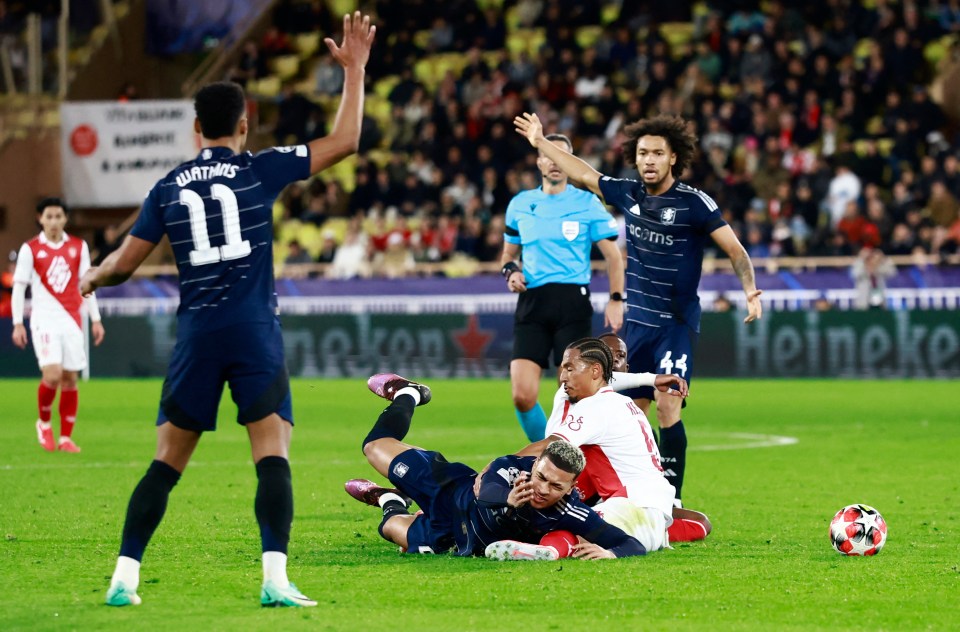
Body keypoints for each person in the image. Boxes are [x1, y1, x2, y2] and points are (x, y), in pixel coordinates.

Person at [79, 11, 376, 608]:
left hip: (196, 335)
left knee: (166, 462)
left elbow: (124, 265)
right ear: (246, 123)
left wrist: (92, 277)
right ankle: (274, 578)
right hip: (252, 332)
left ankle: (124, 576)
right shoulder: (258, 168)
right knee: (272, 454)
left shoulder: (167, 187)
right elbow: (345, 141)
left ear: (195, 129)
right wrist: (355, 71)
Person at [514, 112, 763, 505]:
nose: (649, 160)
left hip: (676, 326)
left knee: (668, 404)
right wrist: (541, 142)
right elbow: (583, 174)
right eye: (643, 152)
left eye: (658, 153)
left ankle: (673, 500)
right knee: (628, 414)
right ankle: (619, 494)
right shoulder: (629, 194)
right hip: (636, 328)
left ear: (673, 158)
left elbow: (734, 250)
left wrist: (750, 289)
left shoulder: (694, 204)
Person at [345, 373, 648, 561]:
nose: (543, 489)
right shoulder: (514, 468)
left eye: (556, 486)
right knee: (374, 447)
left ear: (571, 489)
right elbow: (485, 488)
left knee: (390, 528)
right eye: (542, 477)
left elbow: (629, 543)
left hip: (450, 537)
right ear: (535, 464)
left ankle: (390, 500)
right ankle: (408, 393)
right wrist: (508, 500)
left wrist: (609, 552)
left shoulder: (570, 511)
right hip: (450, 491)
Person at [479, 337, 710, 551]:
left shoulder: (595, 407)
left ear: (595, 371)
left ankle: (545, 550)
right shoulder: (609, 399)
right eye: (564, 368)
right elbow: (612, 379)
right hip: (650, 507)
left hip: (630, 505)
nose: (563, 375)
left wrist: (499, 466)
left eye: (570, 368)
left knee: (566, 524)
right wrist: (650, 379)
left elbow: (552, 445)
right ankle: (661, 533)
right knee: (697, 523)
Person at [500, 132, 625, 442]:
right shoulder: (521, 204)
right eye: (549, 155)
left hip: (572, 303)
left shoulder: (587, 203)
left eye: (562, 156)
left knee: (571, 396)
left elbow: (613, 257)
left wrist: (616, 298)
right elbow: (508, 255)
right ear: (539, 160)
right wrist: (511, 272)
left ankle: (565, 461)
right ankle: (547, 452)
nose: (555, 162)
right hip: (532, 302)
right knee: (522, 396)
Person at [11, 198, 105, 453]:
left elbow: (87, 285)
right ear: (40, 219)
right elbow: (19, 288)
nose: (53, 221)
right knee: (52, 375)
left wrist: (95, 318)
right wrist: (18, 323)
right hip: (44, 318)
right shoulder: (30, 249)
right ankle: (43, 423)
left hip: (72, 318)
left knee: (70, 378)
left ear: (65, 218)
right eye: (48, 216)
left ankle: (65, 438)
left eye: (58, 216)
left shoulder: (78, 246)